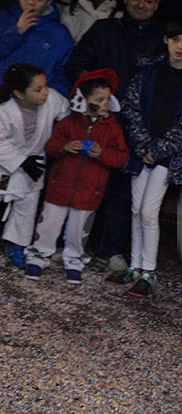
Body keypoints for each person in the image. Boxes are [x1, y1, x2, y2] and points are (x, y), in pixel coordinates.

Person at [65, 0, 166, 269]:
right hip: (96, 121)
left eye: (148, 0)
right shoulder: (105, 29)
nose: (141, 5)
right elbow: (75, 65)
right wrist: (93, 98)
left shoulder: (162, 38)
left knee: (123, 191)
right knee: (82, 179)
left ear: (157, 5)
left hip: (137, 127)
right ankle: (69, 244)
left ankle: (111, 250)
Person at [104, 19, 182, 297]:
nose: (180, 47)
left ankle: (149, 272)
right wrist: (142, 145)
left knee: (149, 212)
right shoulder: (148, 70)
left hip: (168, 157)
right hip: (142, 152)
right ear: (166, 40)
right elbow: (131, 107)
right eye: (176, 40)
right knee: (136, 209)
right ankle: (136, 268)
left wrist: (158, 149)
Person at [24, 69, 129, 283]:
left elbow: (121, 157)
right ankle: (38, 255)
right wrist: (65, 146)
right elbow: (51, 146)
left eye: (108, 99)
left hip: (90, 191)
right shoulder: (68, 123)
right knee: (49, 224)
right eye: (99, 100)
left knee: (79, 230)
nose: (105, 103)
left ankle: (74, 259)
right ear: (82, 100)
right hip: (59, 187)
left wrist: (103, 154)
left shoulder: (113, 129)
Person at [0, 64, 70, 267]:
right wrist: (20, 161)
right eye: (38, 90)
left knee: (28, 204)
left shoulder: (53, 100)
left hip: (35, 161)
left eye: (45, 86)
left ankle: (16, 243)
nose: (45, 92)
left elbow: (67, 117)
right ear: (19, 93)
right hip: (6, 162)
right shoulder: (4, 110)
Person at [0, 0, 74, 93]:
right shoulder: (3, 20)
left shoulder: (60, 34)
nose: (31, 2)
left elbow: (65, 74)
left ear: (49, 1)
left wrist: (46, 96)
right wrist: (16, 32)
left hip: (36, 106)